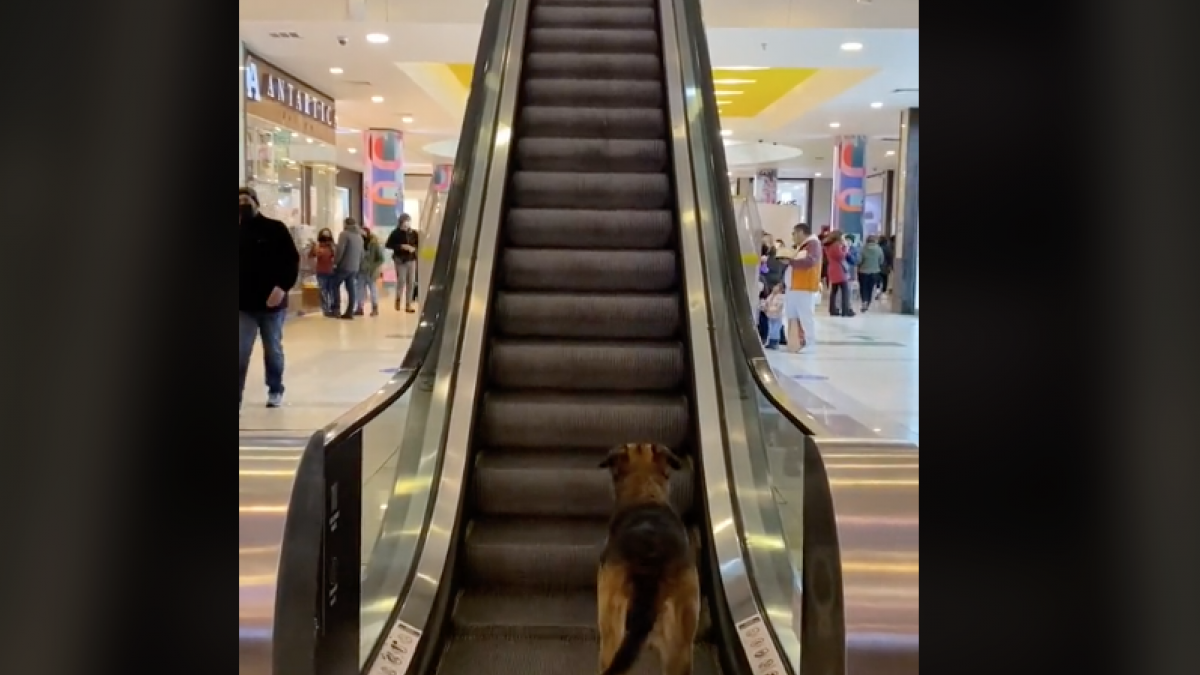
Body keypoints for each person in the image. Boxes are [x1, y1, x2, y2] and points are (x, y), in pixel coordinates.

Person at [239, 187, 300, 410]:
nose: (243, 205)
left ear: (256, 202)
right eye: (239, 201)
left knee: (272, 349)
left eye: (246, 200)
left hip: (272, 304)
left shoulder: (275, 229)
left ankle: (275, 388)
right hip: (243, 305)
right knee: (240, 350)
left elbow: (292, 261)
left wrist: (282, 287)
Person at [785, 223, 822, 352]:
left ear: (801, 232)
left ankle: (809, 343)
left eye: (794, 233)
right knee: (793, 316)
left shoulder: (813, 244)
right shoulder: (804, 245)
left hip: (804, 287)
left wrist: (790, 261)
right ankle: (796, 342)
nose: (793, 236)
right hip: (795, 287)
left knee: (806, 316)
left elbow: (810, 261)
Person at [385, 214, 419, 313]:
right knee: (402, 280)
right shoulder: (395, 233)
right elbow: (388, 245)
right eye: (406, 221)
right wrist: (401, 246)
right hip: (400, 260)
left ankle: (408, 304)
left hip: (411, 259)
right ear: (401, 222)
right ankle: (398, 298)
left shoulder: (413, 233)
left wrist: (413, 248)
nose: (407, 223)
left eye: (409, 221)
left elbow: (418, 244)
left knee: (411, 282)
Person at [333, 217, 364, 319]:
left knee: (335, 285)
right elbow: (362, 254)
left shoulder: (344, 234)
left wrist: (335, 262)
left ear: (345, 224)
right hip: (354, 267)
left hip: (344, 266)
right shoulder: (359, 236)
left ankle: (336, 309)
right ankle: (349, 312)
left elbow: (340, 250)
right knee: (351, 289)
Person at [355, 225, 386, 316]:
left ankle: (375, 308)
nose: (362, 234)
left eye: (363, 232)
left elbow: (381, 259)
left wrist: (373, 266)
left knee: (373, 290)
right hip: (360, 271)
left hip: (371, 272)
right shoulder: (358, 243)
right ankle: (359, 308)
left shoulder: (374, 244)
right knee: (360, 289)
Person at [308, 228, 337, 317]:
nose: (325, 241)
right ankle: (326, 309)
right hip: (322, 272)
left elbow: (336, 256)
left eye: (327, 238)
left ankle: (332, 308)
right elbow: (311, 255)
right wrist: (314, 247)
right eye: (324, 238)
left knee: (331, 291)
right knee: (323, 291)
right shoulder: (318, 246)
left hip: (331, 271)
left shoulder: (333, 246)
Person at [857, 234, 885, 312]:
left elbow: (859, 260)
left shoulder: (863, 249)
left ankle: (864, 302)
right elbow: (881, 261)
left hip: (863, 272)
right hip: (875, 272)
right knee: (870, 288)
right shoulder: (879, 249)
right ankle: (868, 302)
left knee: (863, 288)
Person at [762, 281, 786, 349]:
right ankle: (770, 341)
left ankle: (775, 342)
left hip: (777, 316)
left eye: (777, 287)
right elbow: (767, 302)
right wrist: (765, 307)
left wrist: (770, 309)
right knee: (771, 328)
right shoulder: (771, 295)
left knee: (775, 329)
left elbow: (779, 307)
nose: (774, 288)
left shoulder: (781, 297)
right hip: (770, 316)